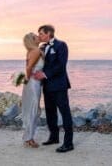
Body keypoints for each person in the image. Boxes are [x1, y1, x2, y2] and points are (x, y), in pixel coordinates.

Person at [34, 24, 74, 153]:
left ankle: (68, 143)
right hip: (47, 86)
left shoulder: (61, 45)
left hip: (59, 85)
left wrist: (45, 74)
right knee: (50, 112)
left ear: (48, 33)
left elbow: (61, 65)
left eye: (41, 33)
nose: (39, 36)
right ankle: (54, 137)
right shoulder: (42, 47)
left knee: (65, 113)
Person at [21, 32, 44, 148]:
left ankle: (28, 137)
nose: (39, 37)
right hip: (33, 83)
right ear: (32, 40)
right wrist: (30, 77)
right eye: (36, 36)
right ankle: (29, 138)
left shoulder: (31, 51)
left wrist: (27, 78)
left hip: (31, 82)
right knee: (33, 109)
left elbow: (29, 67)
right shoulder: (36, 51)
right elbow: (29, 67)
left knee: (31, 108)